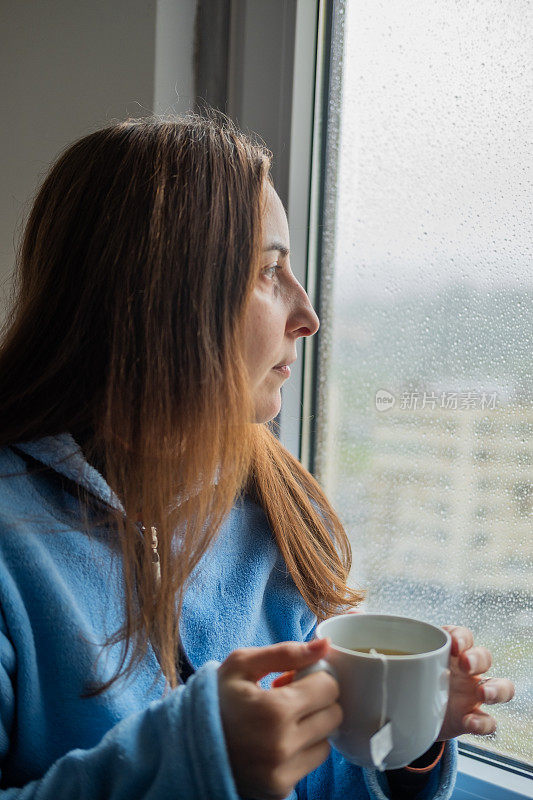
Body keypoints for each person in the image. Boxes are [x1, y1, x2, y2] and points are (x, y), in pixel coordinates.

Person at [0, 113, 514, 800]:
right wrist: (193, 765)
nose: (307, 313)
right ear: (159, 299)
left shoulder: (276, 513)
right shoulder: (12, 550)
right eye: (270, 272)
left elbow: (318, 780)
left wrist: (400, 740)